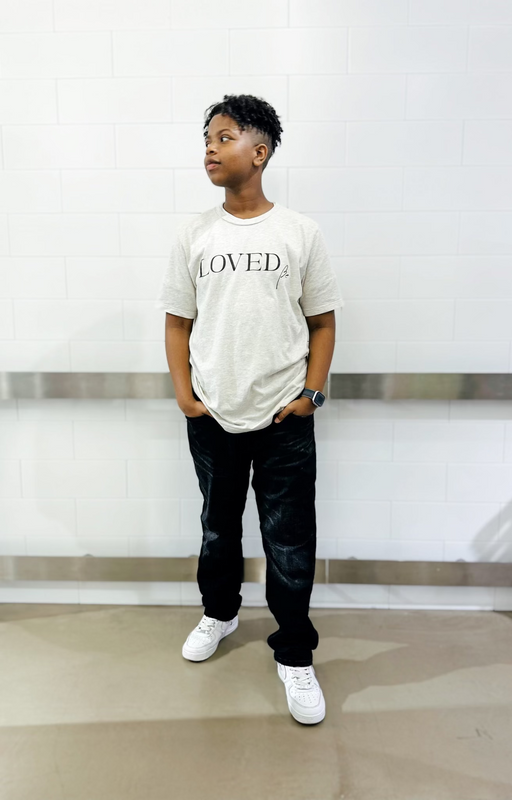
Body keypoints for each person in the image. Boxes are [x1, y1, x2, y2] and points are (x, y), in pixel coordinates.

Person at [156, 93, 344, 725]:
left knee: (289, 539)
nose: (210, 149)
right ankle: (220, 612)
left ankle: (294, 652)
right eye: (207, 139)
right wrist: (185, 394)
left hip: (284, 418)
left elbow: (323, 322)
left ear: (260, 152)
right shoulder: (194, 234)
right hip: (213, 416)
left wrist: (311, 394)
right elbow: (177, 322)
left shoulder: (300, 233)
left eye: (225, 137)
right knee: (217, 528)